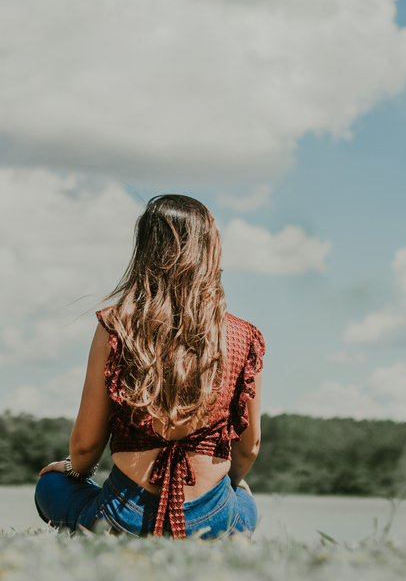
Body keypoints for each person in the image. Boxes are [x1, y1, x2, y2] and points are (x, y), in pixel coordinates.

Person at [35, 194, 265, 539]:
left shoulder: (116, 325)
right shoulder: (242, 335)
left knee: (50, 486)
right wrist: (228, 484)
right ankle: (220, 530)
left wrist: (69, 469)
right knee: (244, 502)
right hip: (213, 516)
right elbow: (249, 447)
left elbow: (85, 447)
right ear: (210, 251)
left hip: (124, 517)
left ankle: (110, 533)